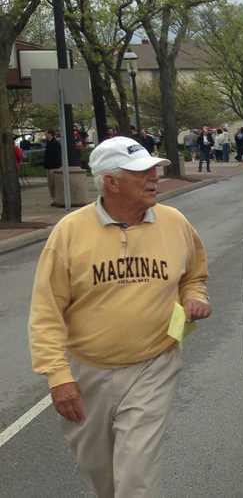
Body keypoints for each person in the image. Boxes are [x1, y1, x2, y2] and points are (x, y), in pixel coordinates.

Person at [28, 136, 210, 498]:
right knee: (101, 475)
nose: (155, 177)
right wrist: (58, 376)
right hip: (88, 371)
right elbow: (46, 310)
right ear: (111, 182)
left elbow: (195, 274)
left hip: (154, 364)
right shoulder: (70, 232)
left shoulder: (174, 222)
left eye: (154, 169)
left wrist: (194, 296)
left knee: (135, 475)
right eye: (142, 172)